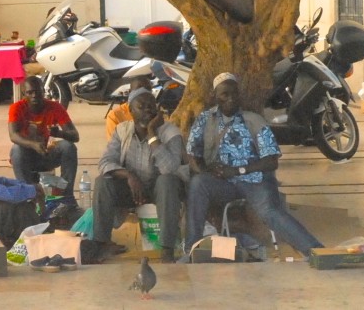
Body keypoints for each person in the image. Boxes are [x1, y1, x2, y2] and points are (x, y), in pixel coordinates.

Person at [184, 72, 323, 258]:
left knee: (270, 212)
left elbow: (271, 161)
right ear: (215, 97)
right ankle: (192, 248)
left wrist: (238, 170)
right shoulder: (204, 120)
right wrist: (207, 171)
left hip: (256, 181)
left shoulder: (253, 120)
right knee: (198, 183)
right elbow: (192, 153)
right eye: (225, 95)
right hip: (224, 183)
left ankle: (316, 251)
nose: (231, 99)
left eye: (234, 94)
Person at [94, 88, 188, 263]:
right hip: (132, 190)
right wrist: (129, 175)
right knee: (102, 182)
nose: (147, 110)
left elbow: (170, 169)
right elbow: (105, 162)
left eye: (151, 106)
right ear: (130, 111)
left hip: (160, 190)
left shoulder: (170, 132)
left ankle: (167, 249)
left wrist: (152, 134)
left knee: (167, 181)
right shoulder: (122, 130)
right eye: (141, 106)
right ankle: (101, 244)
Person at [8, 76, 80, 197]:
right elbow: (13, 135)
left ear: (44, 91)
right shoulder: (17, 108)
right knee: (16, 150)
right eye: (30, 92)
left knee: (68, 147)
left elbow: (75, 136)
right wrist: (33, 144)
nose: (34, 95)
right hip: (27, 156)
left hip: (47, 153)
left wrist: (59, 133)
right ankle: (28, 196)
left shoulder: (55, 107)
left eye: (38, 91)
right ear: (23, 93)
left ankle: (66, 196)